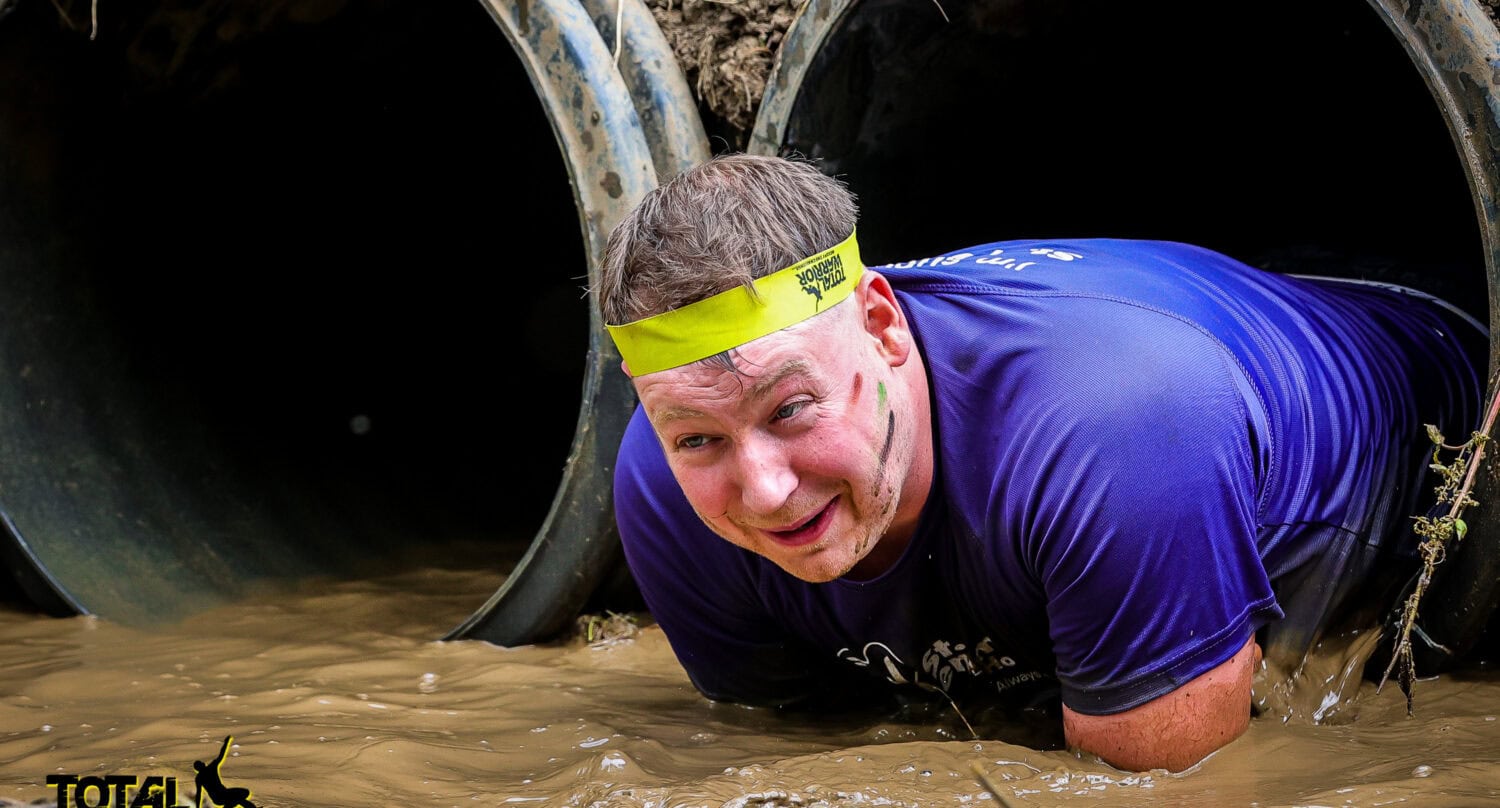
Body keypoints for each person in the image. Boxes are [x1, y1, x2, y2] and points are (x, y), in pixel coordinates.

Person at [597, 153, 1484, 772]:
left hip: (1431, 350)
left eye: (791, 410)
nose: (763, 491)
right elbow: (779, 752)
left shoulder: (1117, 437)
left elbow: (1172, 789)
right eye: (698, 438)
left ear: (881, 325)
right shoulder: (662, 487)